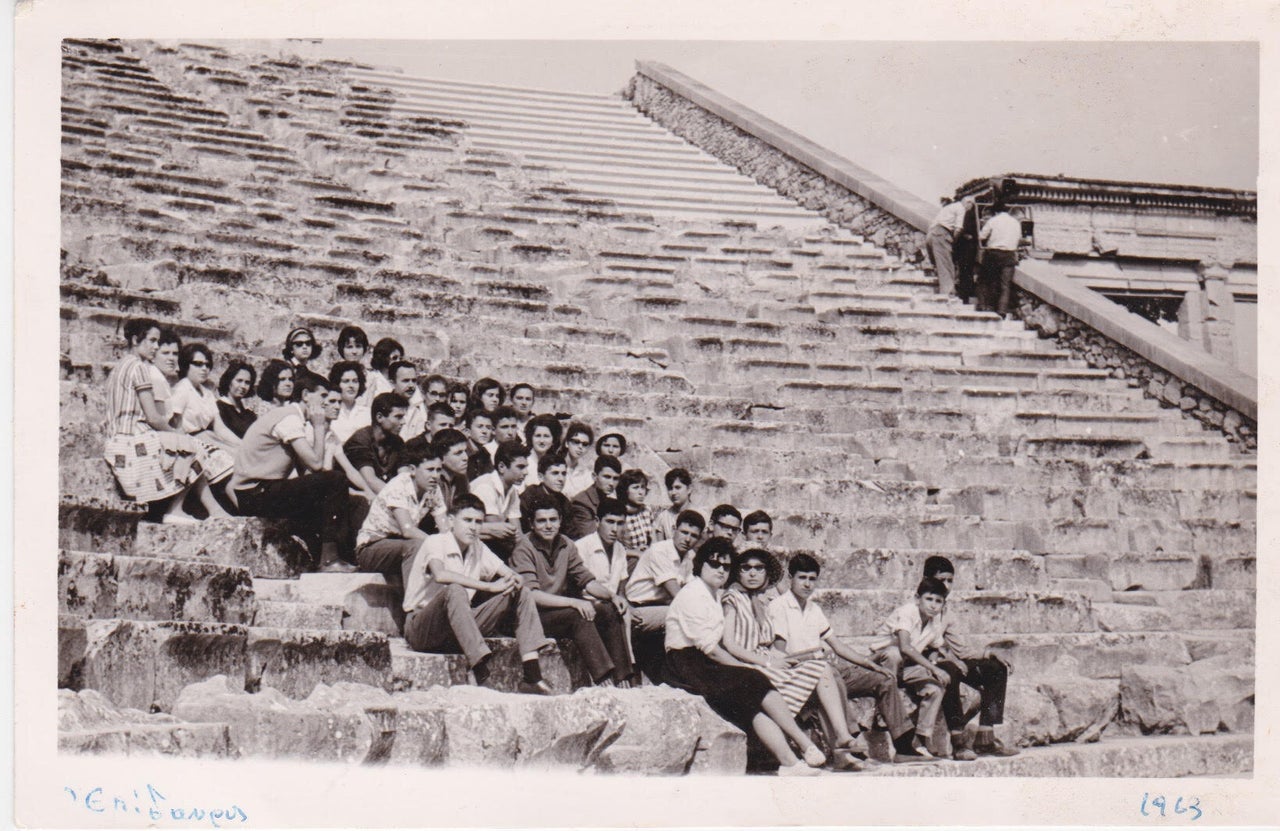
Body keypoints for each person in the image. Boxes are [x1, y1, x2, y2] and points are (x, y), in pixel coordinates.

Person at [664, 538, 825, 776]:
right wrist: (742, 668)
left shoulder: (712, 593)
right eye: (714, 564)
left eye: (726, 566)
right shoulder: (692, 594)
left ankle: (790, 763)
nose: (721, 570)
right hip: (685, 665)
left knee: (751, 702)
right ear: (700, 565)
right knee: (752, 680)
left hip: (702, 661)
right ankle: (804, 744)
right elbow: (711, 648)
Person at [770, 553, 928, 762]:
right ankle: (849, 743)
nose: (807, 584)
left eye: (812, 579)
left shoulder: (813, 608)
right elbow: (781, 655)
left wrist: (868, 664)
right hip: (802, 675)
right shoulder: (779, 606)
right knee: (832, 675)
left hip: (825, 668)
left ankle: (904, 747)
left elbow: (837, 645)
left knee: (885, 679)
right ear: (791, 578)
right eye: (802, 578)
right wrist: (814, 656)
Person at [723, 549, 863, 770]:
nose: (752, 573)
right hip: (747, 666)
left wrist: (786, 660)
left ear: (766, 573)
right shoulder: (732, 598)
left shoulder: (758, 602)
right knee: (819, 672)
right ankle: (828, 747)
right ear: (738, 572)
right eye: (746, 568)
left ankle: (842, 734)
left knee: (821, 668)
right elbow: (730, 645)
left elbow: (769, 645)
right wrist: (770, 662)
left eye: (758, 568)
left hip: (767, 660)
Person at [403, 494, 555, 695]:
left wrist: (514, 579)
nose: (473, 527)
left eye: (478, 522)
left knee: (522, 592)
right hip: (423, 627)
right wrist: (489, 587)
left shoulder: (478, 547)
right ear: (450, 521)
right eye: (467, 520)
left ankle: (532, 676)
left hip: (459, 627)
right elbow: (441, 575)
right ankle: (481, 672)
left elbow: (509, 574)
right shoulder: (435, 541)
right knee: (455, 589)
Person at [102, 318, 230, 524]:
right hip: (130, 439)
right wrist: (177, 434)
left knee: (188, 445)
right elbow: (153, 417)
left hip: (119, 436)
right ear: (136, 340)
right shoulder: (139, 368)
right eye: (152, 341)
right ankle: (177, 510)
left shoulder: (121, 366)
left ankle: (209, 509)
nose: (155, 346)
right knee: (191, 445)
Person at [229, 375, 356, 572]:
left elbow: (309, 471)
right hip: (255, 493)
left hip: (262, 491)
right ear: (305, 395)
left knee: (333, 490)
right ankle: (329, 560)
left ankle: (335, 557)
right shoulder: (289, 418)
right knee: (335, 480)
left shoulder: (294, 419)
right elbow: (316, 464)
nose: (325, 401)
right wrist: (319, 426)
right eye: (322, 396)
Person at [510, 493, 635, 687]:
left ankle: (623, 677)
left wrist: (612, 596)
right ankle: (603, 678)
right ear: (531, 524)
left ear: (560, 520)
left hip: (558, 612)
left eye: (553, 520)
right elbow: (532, 595)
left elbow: (586, 580)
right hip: (533, 617)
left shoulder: (566, 544)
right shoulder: (523, 548)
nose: (548, 525)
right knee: (577, 614)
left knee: (609, 609)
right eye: (541, 521)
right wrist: (574, 602)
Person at [922, 556, 1019, 759]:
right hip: (923, 662)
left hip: (947, 659)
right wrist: (949, 658)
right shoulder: (922, 604)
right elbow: (918, 646)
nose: (946, 586)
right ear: (927, 578)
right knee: (950, 671)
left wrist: (987, 654)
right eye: (941, 580)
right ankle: (958, 741)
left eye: (950, 581)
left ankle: (986, 737)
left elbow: (961, 649)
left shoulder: (946, 610)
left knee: (995, 668)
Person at [868, 577, 954, 759]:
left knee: (935, 688)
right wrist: (934, 668)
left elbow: (938, 645)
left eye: (938, 601)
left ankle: (922, 738)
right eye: (929, 599)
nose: (933, 605)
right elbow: (905, 646)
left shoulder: (934, 622)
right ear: (917, 598)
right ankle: (882, 709)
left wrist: (938, 662)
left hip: (906, 666)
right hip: (880, 662)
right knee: (894, 654)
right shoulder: (908, 612)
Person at [625, 509, 705, 683]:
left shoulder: (690, 557)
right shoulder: (660, 551)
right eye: (684, 532)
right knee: (685, 615)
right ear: (674, 530)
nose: (687, 539)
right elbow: (678, 594)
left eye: (693, 535)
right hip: (638, 610)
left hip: (662, 609)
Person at [354, 440, 447, 582]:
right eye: (430, 469)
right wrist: (439, 544)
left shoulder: (434, 489)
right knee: (419, 545)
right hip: (372, 547)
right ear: (413, 470)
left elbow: (444, 528)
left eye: (438, 470)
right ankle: (412, 602)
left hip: (399, 545)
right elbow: (408, 530)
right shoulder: (399, 485)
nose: (435, 476)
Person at [169, 342, 241, 452]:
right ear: (186, 364)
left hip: (208, 438)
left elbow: (220, 428)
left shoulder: (207, 393)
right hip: (190, 443)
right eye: (198, 364)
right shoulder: (182, 389)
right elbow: (175, 427)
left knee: (242, 454)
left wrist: (243, 445)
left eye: (207, 365)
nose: (204, 368)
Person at [469, 439, 527, 561]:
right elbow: (496, 528)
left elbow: (518, 533)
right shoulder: (485, 487)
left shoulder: (512, 491)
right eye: (520, 467)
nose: (526, 472)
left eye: (526, 467)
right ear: (501, 467)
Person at [342, 392, 409, 495]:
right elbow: (370, 480)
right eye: (398, 417)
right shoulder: (360, 440)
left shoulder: (398, 442)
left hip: (384, 496)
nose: (403, 422)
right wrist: (400, 500)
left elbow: (404, 477)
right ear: (379, 417)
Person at [574, 497, 629, 596]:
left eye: (620, 523)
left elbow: (622, 586)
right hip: (589, 604)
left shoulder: (620, 548)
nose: (615, 529)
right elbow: (578, 589)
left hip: (614, 604)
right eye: (610, 522)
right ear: (597, 521)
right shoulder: (581, 547)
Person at [978, 202, 1022, 316]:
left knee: (985, 281)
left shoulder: (993, 221)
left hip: (993, 253)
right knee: (1005, 285)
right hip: (1009, 255)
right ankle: (1002, 310)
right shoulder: (1015, 222)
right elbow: (1018, 239)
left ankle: (983, 305)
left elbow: (982, 236)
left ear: (995, 212)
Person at [564, 455, 621, 540]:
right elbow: (590, 538)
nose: (611, 483)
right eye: (607, 477)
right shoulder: (581, 503)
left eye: (615, 478)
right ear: (594, 476)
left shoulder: (609, 500)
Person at [926, 196, 971, 298]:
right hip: (941, 234)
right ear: (968, 203)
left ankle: (943, 290)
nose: (969, 209)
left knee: (938, 264)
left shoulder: (949, 207)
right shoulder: (961, 208)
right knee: (946, 264)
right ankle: (948, 294)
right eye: (970, 206)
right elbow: (958, 228)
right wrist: (954, 241)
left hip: (931, 234)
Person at [519, 451, 570, 534]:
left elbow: (571, 533)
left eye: (564, 474)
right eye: (555, 473)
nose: (561, 479)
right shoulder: (528, 497)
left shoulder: (564, 501)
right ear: (541, 477)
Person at [327, 361, 370, 443]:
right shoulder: (329, 413)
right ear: (337, 383)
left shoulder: (367, 413)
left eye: (355, 381)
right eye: (346, 381)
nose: (351, 386)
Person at [215, 361, 258, 440]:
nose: (243, 386)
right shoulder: (218, 408)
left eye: (247, 383)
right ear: (229, 381)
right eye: (239, 381)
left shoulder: (250, 415)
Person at [617, 469, 656, 553]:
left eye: (643, 487)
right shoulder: (620, 514)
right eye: (635, 488)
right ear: (625, 490)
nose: (641, 492)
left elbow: (653, 537)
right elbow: (615, 547)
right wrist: (634, 552)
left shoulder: (647, 510)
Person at [432, 428, 471, 509]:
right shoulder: (433, 480)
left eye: (466, 451)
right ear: (441, 458)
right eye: (458, 453)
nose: (466, 457)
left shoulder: (462, 478)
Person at [390, 361, 429, 442]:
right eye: (406, 381)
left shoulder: (417, 412)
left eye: (414, 381)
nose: (411, 385)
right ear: (392, 383)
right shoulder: (382, 406)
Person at [522, 414, 562, 490]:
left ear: (553, 439)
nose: (542, 441)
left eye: (546, 436)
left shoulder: (555, 464)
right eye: (538, 436)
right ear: (531, 438)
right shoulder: (524, 463)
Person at [653, 467, 693, 542]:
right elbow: (659, 546)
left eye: (678, 487)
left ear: (689, 489)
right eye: (670, 488)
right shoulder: (663, 517)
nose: (673, 493)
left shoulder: (701, 514)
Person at [282, 327, 327, 392]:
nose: (304, 347)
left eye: (308, 343)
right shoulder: (283, 371)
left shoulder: (317, 379)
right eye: (299, 344)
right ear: (291, 348)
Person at [561, 421, 595, 499]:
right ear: (566, 443)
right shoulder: (555, 466)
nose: (580, 447)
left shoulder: (587, 474)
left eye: (585, 444)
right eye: (576, 442)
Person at [463, 409, 496, 481]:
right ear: (468, 431)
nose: (484, 431)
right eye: (480, 426)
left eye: (488, 427)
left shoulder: (485, 453)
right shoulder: (462, 452)